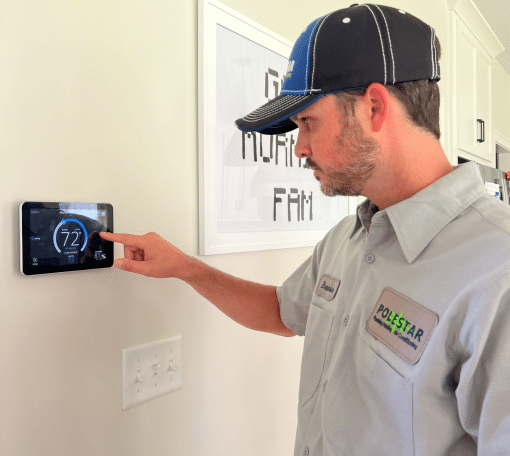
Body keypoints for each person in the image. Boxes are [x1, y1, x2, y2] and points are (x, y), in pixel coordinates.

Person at [101, 4, 510, 455]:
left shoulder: (496, 269)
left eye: (307, 122)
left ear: (374, 107)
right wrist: (185, 268)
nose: (299, 147)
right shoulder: (348, 239)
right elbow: (282, 312)